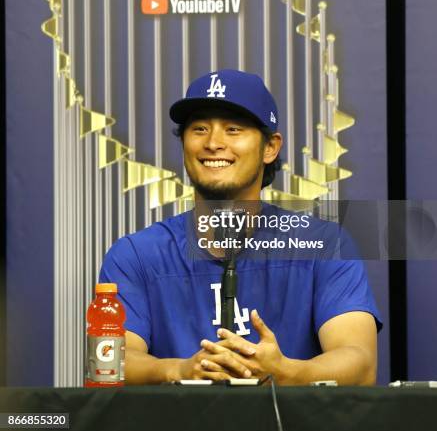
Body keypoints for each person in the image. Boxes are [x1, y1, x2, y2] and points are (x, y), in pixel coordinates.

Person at [100, 69, 381, 385]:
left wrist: (286, 371)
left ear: (270, 147)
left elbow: (360, 362)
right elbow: (110, 361)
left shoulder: (324, 245)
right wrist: (178, 370)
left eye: (233, 129)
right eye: (199, 128)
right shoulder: (136, 254)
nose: (213, 143)